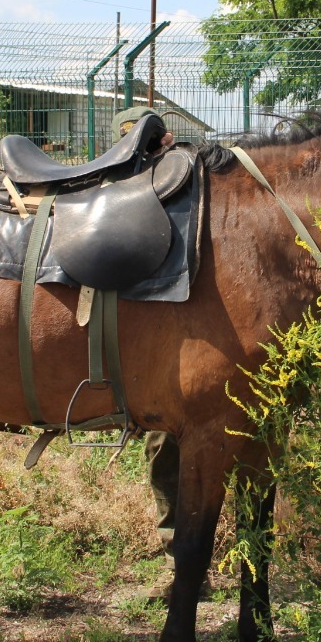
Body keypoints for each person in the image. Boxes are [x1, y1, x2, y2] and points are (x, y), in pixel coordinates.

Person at [109, 107, 181, 575]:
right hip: (157, 355)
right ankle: (177, 554)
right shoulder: (118, 198)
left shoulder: (186, 189)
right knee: (163, 449)